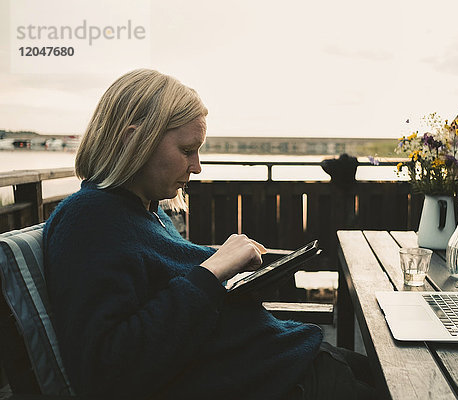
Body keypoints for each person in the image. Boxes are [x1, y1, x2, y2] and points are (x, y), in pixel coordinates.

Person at [43, 69, 376, 399]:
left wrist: (225, 271)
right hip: (279, 380)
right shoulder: (90, 220)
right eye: (188, 150)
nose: (197, 166)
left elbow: (172, 290)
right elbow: (107, 370)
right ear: (133, 141)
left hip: (284, 358)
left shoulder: (144, 211)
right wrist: (212, 271)